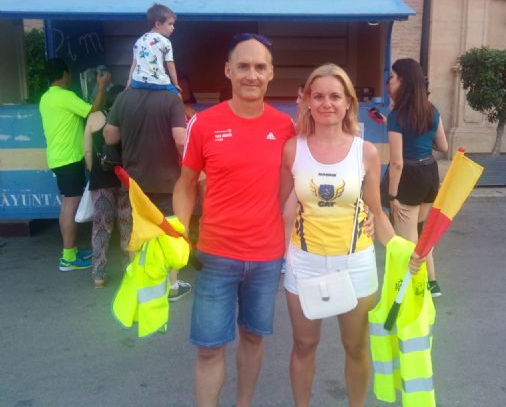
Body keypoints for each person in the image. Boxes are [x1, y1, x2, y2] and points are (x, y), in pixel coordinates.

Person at [280, 63, 425, 407]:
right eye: (318, 96)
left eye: (335, 96)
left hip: (355, 263)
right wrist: (283, 257)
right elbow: (284, 208)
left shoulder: (366, 152)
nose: (326, 103)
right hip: (304, 262)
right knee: (303, 345)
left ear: (348, 103)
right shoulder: (292, 149)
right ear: (307, 101)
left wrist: (402, 249)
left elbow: (377, 212)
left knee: (356, 347)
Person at [173, 33, 296, 407]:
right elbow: (185, 185)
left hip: (267, 256)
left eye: (260, 67)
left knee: (253, 338)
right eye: (243, 66)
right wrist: (179, 231)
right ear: (228, 71)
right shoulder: (204, 124)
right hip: (216, 255)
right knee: (209, 348)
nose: (251, 75)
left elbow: (309, 180)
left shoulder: (286, 127)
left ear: (271, 73)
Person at [104, 72, 191, 301]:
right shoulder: (171, 99)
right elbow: (181, 139)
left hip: (134, 184)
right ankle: (172, 287)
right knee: (169, 233)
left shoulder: (124, 97)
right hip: (167, 182)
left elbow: (109, 136)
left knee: (137, 234)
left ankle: (141, 287)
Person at [383, 58, 448, 297]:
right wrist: (421, 137)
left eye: (392, 77)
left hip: (408, 177)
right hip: (429, 174)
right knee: (420, 233)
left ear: (403, 81)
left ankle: (416, 290)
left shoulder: (396, 116)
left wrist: (392, 196)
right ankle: (432, 283)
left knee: (408, 240)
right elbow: (443, 146)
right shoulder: (431, 110)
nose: (389, 81)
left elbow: (397, 162)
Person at [39, 58, 108, 271]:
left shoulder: (46, 98)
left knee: (66, 205)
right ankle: (68, 258)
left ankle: (70, 251)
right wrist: (102, 86)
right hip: (69, 159)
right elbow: (93, 111)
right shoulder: (65, 96)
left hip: (58, 157)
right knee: (70, 206)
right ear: (64, 74)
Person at [83, 85, 132, 288]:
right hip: (126, 179)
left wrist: (96, 171)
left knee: (101, 227)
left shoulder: (94, 117)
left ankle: (99, 275)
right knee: (128, 226)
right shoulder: (130, 118)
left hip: (101, 181)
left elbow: (87, 151)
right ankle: (129, 271)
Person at [126, 3, 181, 95]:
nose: (173, 27)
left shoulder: (139, 41)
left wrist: (129, 81)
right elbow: (170, 64)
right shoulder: (165, 41)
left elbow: (134, 64)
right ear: (158, 24)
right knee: (178, 97)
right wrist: (176, 84)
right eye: (170, 24)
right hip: (158, 82)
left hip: (138, 82)